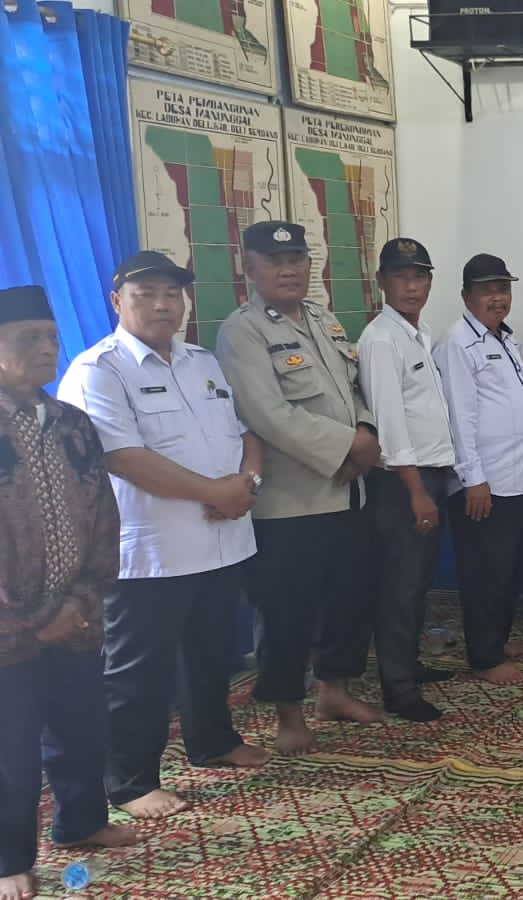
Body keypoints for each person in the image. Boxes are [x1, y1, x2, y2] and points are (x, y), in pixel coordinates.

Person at [56, 252, 270, 821]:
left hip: (221, 541)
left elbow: (244, 434)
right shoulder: (98, 370)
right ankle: (130, 781)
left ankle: (213, 741)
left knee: (212, 654)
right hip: (150, 552)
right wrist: (215, 492)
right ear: (117, 302)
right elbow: (124, 458)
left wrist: (246, 483)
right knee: (138, 672)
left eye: (172, 294)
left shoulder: (201, 361)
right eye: (146, 293)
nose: (161, 305)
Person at [215, 221, 384, 755]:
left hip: (347, 492)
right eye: (274, 261)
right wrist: (348, 446)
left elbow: (354, 391)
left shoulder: (324, 320)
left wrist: (366, 431)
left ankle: (334, 692)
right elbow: (266, 414)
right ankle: (288, 714)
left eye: (297, 260)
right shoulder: (242, 332)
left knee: (350, 600)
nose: (288, 270)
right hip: (290, 505)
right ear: (250, 268)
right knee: (287, 613)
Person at [0, 285, 139, 900]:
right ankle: (9, 858)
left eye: (51, 337)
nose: (45, 348)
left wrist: (83, 598)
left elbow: (103, 515)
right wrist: (32, 619)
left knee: (81, 725)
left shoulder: (72, 425)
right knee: (11, 750)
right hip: (9, 629)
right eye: (28, 338)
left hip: (75, 615)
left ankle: (81, 822)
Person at [436, 253, 523, 680]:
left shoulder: (503, 340)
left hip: (518, 479)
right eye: (487, 290)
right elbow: (460, 417)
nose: (498, 298)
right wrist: (473, 479)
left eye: (503, 289)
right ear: (465, 296)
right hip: (486, 482)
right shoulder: (458, 343)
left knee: (508, 569)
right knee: (484, 573)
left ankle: (496, 638)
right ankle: (484, 657)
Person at [356, 238, 459, 721]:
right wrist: (417, 492)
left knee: (418, 583)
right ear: (382, 282)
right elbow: (390, 425)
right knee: (400, 587)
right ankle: (397, 688)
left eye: (420, 276)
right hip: (403, 485)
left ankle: (409, 665)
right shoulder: (381, 339)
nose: (412, 286)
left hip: (430, 477)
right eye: (401, 277)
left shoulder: (419, 333)